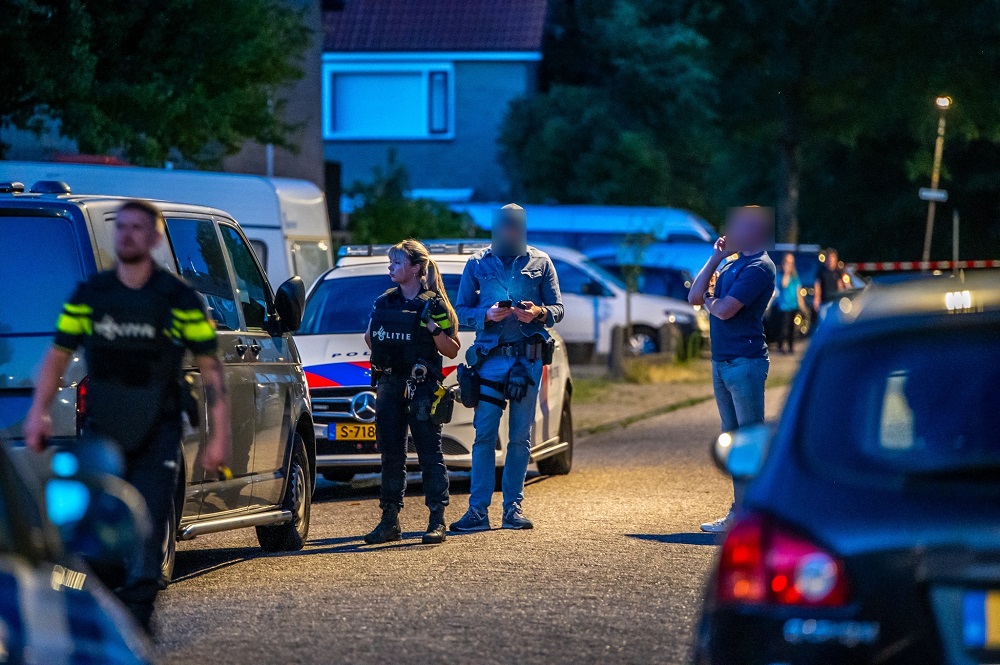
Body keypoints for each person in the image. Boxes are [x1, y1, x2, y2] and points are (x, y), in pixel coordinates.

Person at [23, 199, 231, 633]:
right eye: (123, 227)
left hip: (159, 429)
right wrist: (38, 412)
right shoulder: (92, 295)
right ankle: (107, 617)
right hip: (103, 430)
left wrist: (218, 437)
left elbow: (211, 368)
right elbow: (58, 355)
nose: (129, 235)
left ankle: (136, 623)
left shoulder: (178, 299)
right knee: (95, 534)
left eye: (139, 228)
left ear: (155, 238)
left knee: (147, 531)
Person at [449, 204, 564, 532]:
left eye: (515, 226)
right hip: (490, 362)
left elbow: (558, 308)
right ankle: (477, 511)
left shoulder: (541, 262)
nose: (509, 231)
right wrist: (486, 315)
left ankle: (512, 509)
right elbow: (461, 309)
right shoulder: (477, 262)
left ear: (522, 228)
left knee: (519, 438)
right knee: (484, 434)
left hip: (527, 360)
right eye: (504, 226)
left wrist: (539, 312)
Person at [363, 239, 461, 545]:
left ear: (416, 268)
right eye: (390, 262)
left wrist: (431, 328)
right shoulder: (384, 302)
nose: (390, 267)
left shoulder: (434, 305)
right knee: (391, 455)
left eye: (397, 262)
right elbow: (370, 338)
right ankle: (389, 521)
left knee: (430, 455)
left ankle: (437, 520)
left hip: (421, 387)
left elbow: (452, 349)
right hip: (390, 384)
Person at [688, 206, 776, 534]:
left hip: (745, 363)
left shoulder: (760, 267)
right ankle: (740, 515)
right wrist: (715, 258)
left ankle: (755, 518)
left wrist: (710, 301)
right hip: (722, 363)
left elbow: (723, 310)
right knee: (735, 443)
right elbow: (694, 296)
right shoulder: (730, 263)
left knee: (748, 444)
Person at [774, 253, 806, 354]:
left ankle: (790, 347)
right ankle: (780, 347)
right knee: (783, 328)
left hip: (793, 305)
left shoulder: (795, 276)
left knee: (792, 328)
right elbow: (784, 284)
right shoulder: (780, 274)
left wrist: (802, 304)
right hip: (784, 306)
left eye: (791, 262)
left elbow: (798, 290)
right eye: (787, 262)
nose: (789, 265)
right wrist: (786, 273)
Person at [813, 247, 845, 311]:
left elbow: (840, 286)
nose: (830, 262)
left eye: (832, 259)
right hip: (824, 302)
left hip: (835, 302)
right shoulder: (821, 271)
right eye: (829, 259)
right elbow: (817, 285)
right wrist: (816, 299)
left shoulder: (838, 272)